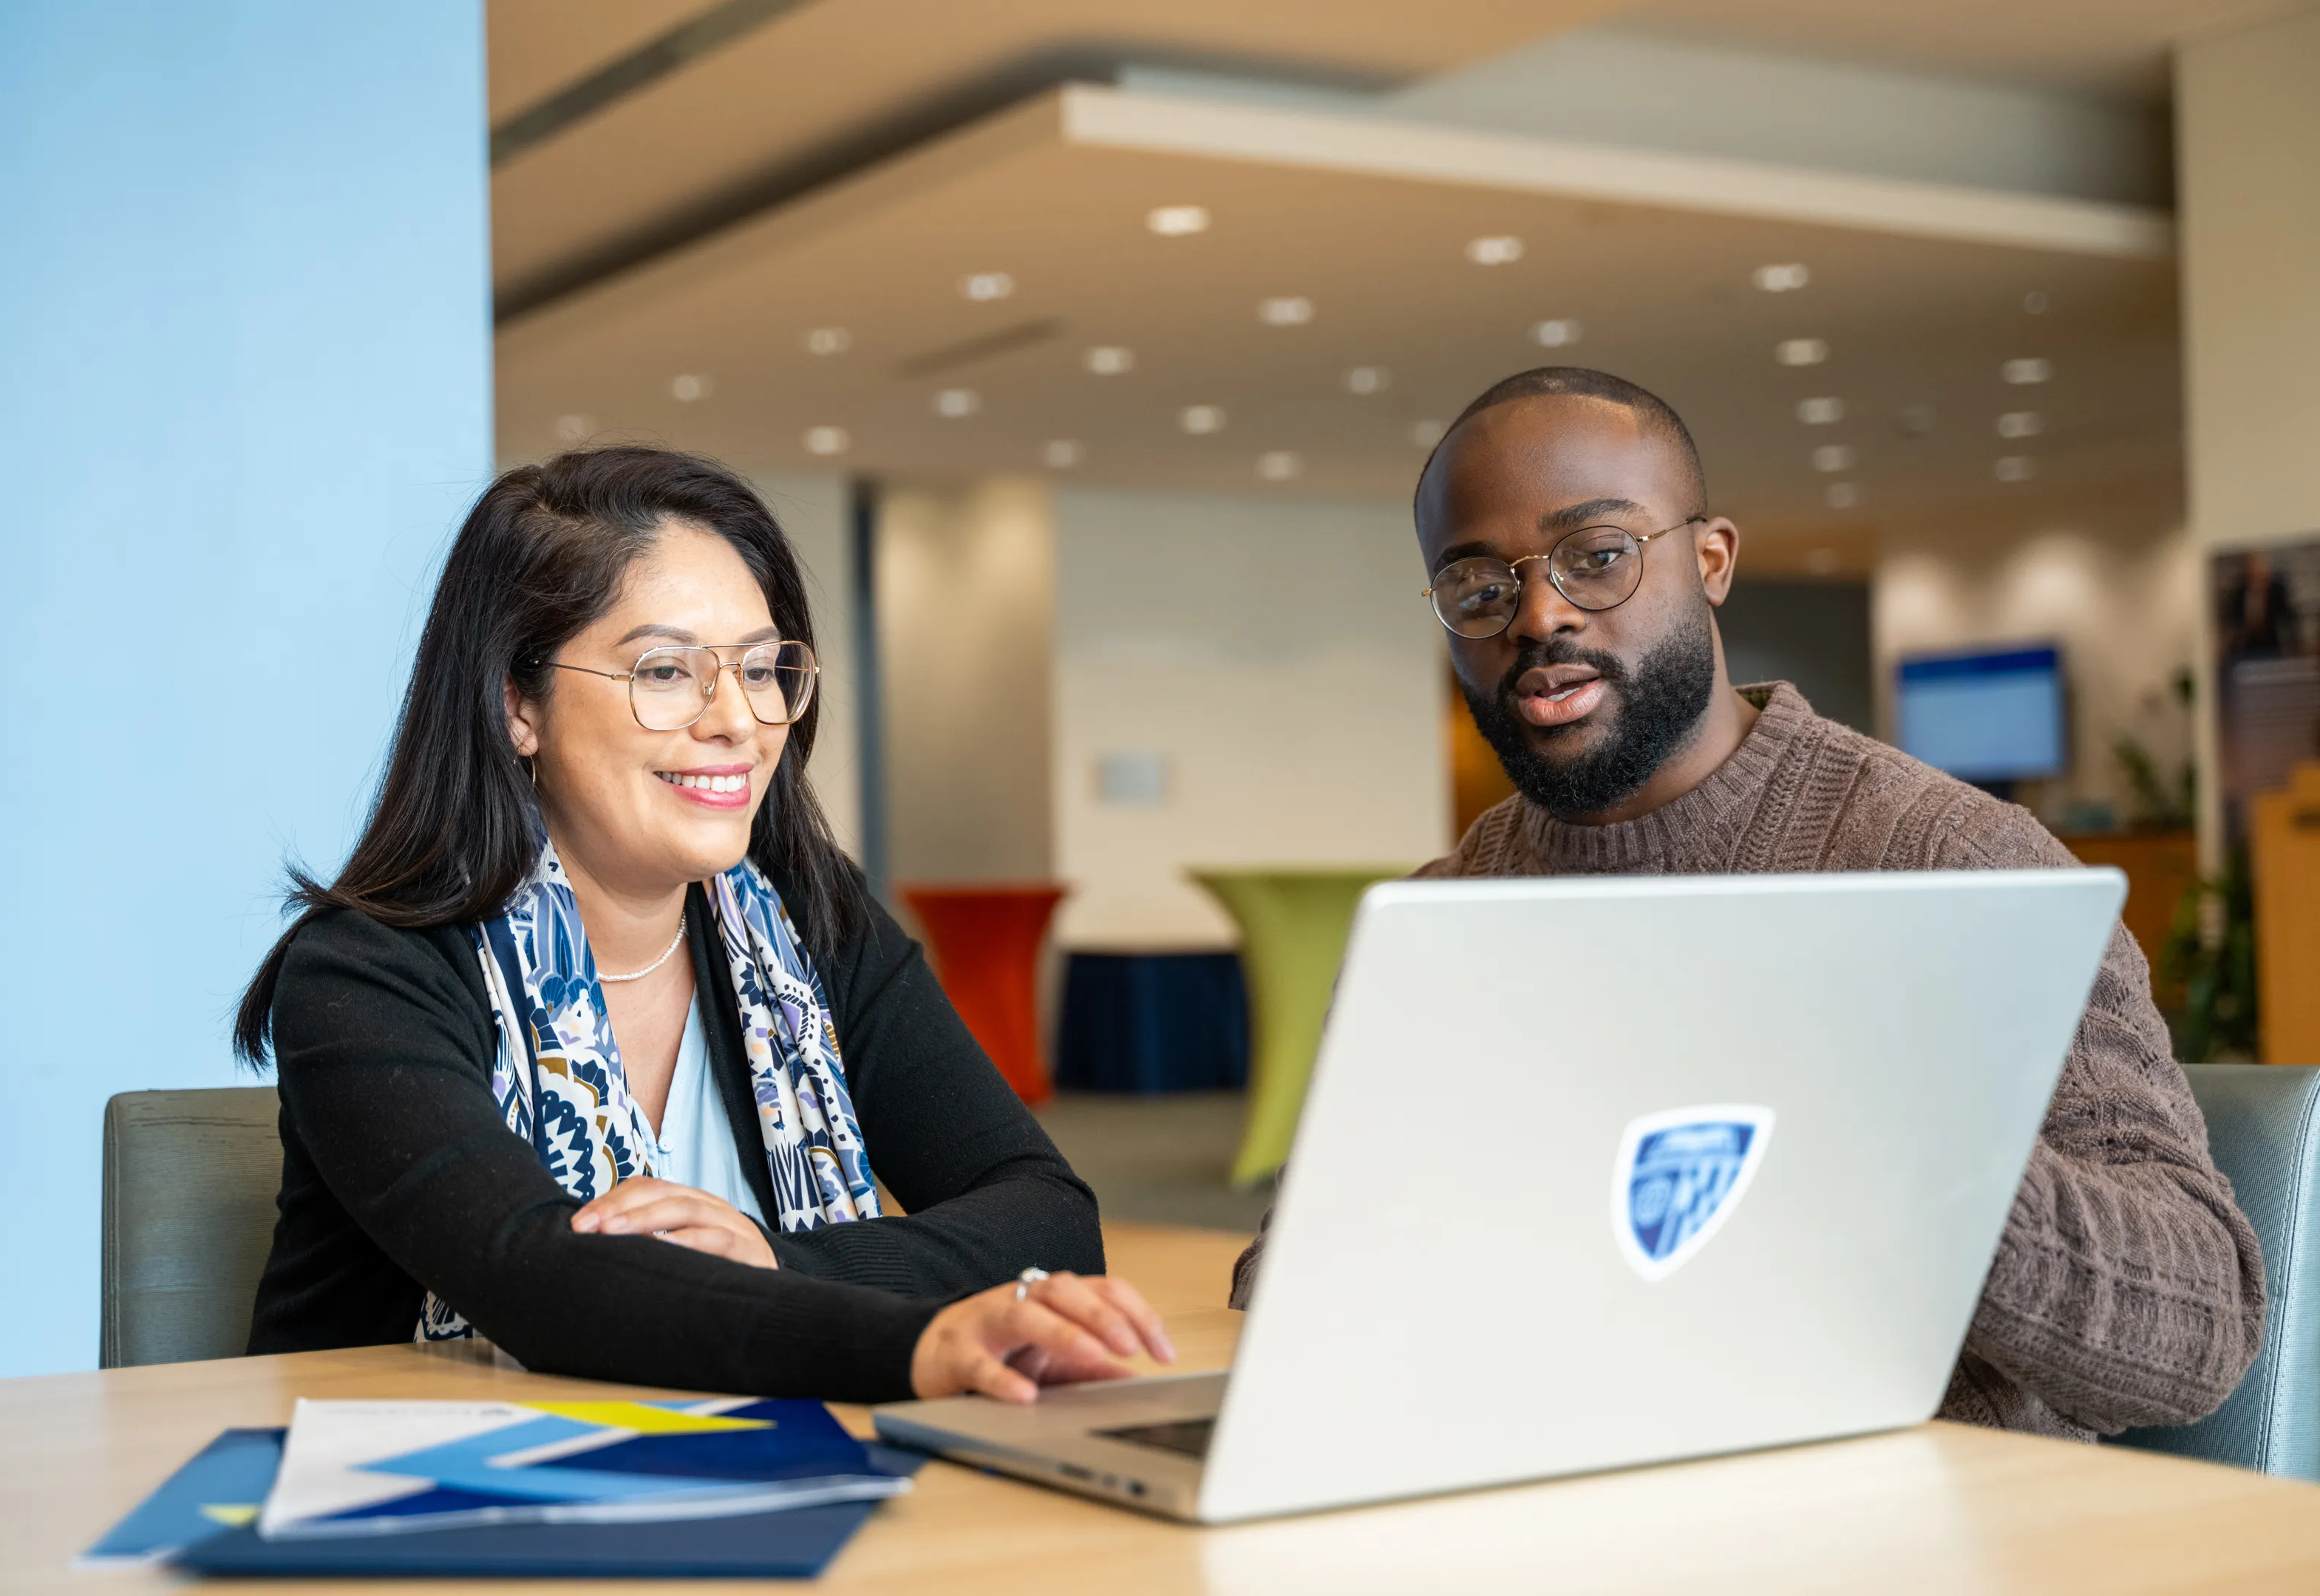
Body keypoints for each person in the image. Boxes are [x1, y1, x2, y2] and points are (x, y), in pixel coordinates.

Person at [1230, 366, 2265, 1442]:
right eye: (1480, 585)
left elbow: (2202, 1332)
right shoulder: (1442, 918)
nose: (1538, 614)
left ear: (1711, 561)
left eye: (1598, 557)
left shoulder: (1958, 863)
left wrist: (1888, 1149)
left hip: (1912, 1527)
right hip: (1554, 1495)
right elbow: (1295, 1273)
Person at [238, 446, 1170, 1405]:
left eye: (763, 668)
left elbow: (1049, 1219)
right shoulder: (369, 973)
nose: (739, 719)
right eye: (667, 670)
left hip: (751, 1469)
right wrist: (914, 1345)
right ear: (519, 702)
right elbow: (546, 1284)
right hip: (409, 1504)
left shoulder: (813, 927)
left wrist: (776, 1258)